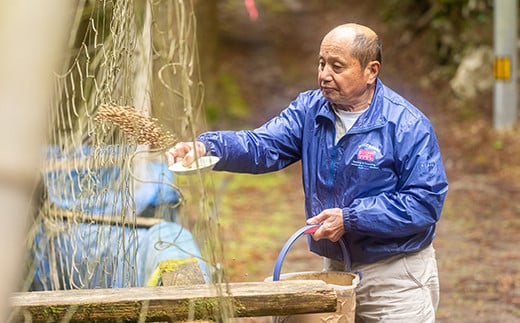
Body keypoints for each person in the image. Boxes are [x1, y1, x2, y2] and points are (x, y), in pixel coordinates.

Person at [165, 23, 448, 322]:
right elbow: (262, 146)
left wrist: (351, 218)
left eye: (337, 66)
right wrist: (210, 147)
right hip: (337, 268)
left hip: (396, 275)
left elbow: (424, 202)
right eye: (322, 63)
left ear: (371, 71)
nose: (325, 74)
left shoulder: (407, 125)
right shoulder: (310, 110)